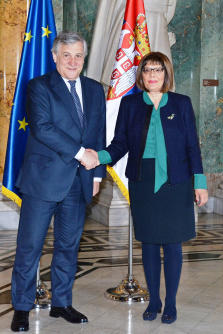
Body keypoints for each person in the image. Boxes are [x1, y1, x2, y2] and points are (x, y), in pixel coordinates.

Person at [83, 52, 208, 324]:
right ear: (141, 75)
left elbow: (191, 147)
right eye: (148, 70)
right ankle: (154, 301)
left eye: (158, 70)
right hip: (142, 179)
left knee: (172, 244)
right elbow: (120, 144)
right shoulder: (130, 104)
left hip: (177, 181)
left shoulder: (181, 103)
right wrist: (98, 157)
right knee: (149, 243)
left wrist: (200, 183)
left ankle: (171, 303)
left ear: (166, 75)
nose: (153, 75)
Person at [10, 31, 105, 332]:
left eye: (78, 55)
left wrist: (98, 173)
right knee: (30, 246)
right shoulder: (39, 86)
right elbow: (42, 128)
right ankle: (22, 307)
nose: (73, 61)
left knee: (68, 246)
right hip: (43, 181)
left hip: (79, 182)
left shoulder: (93, 89)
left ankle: (61, 303)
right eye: (67, 54)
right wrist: (81, 154)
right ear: (55, 56)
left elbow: (98, 132)